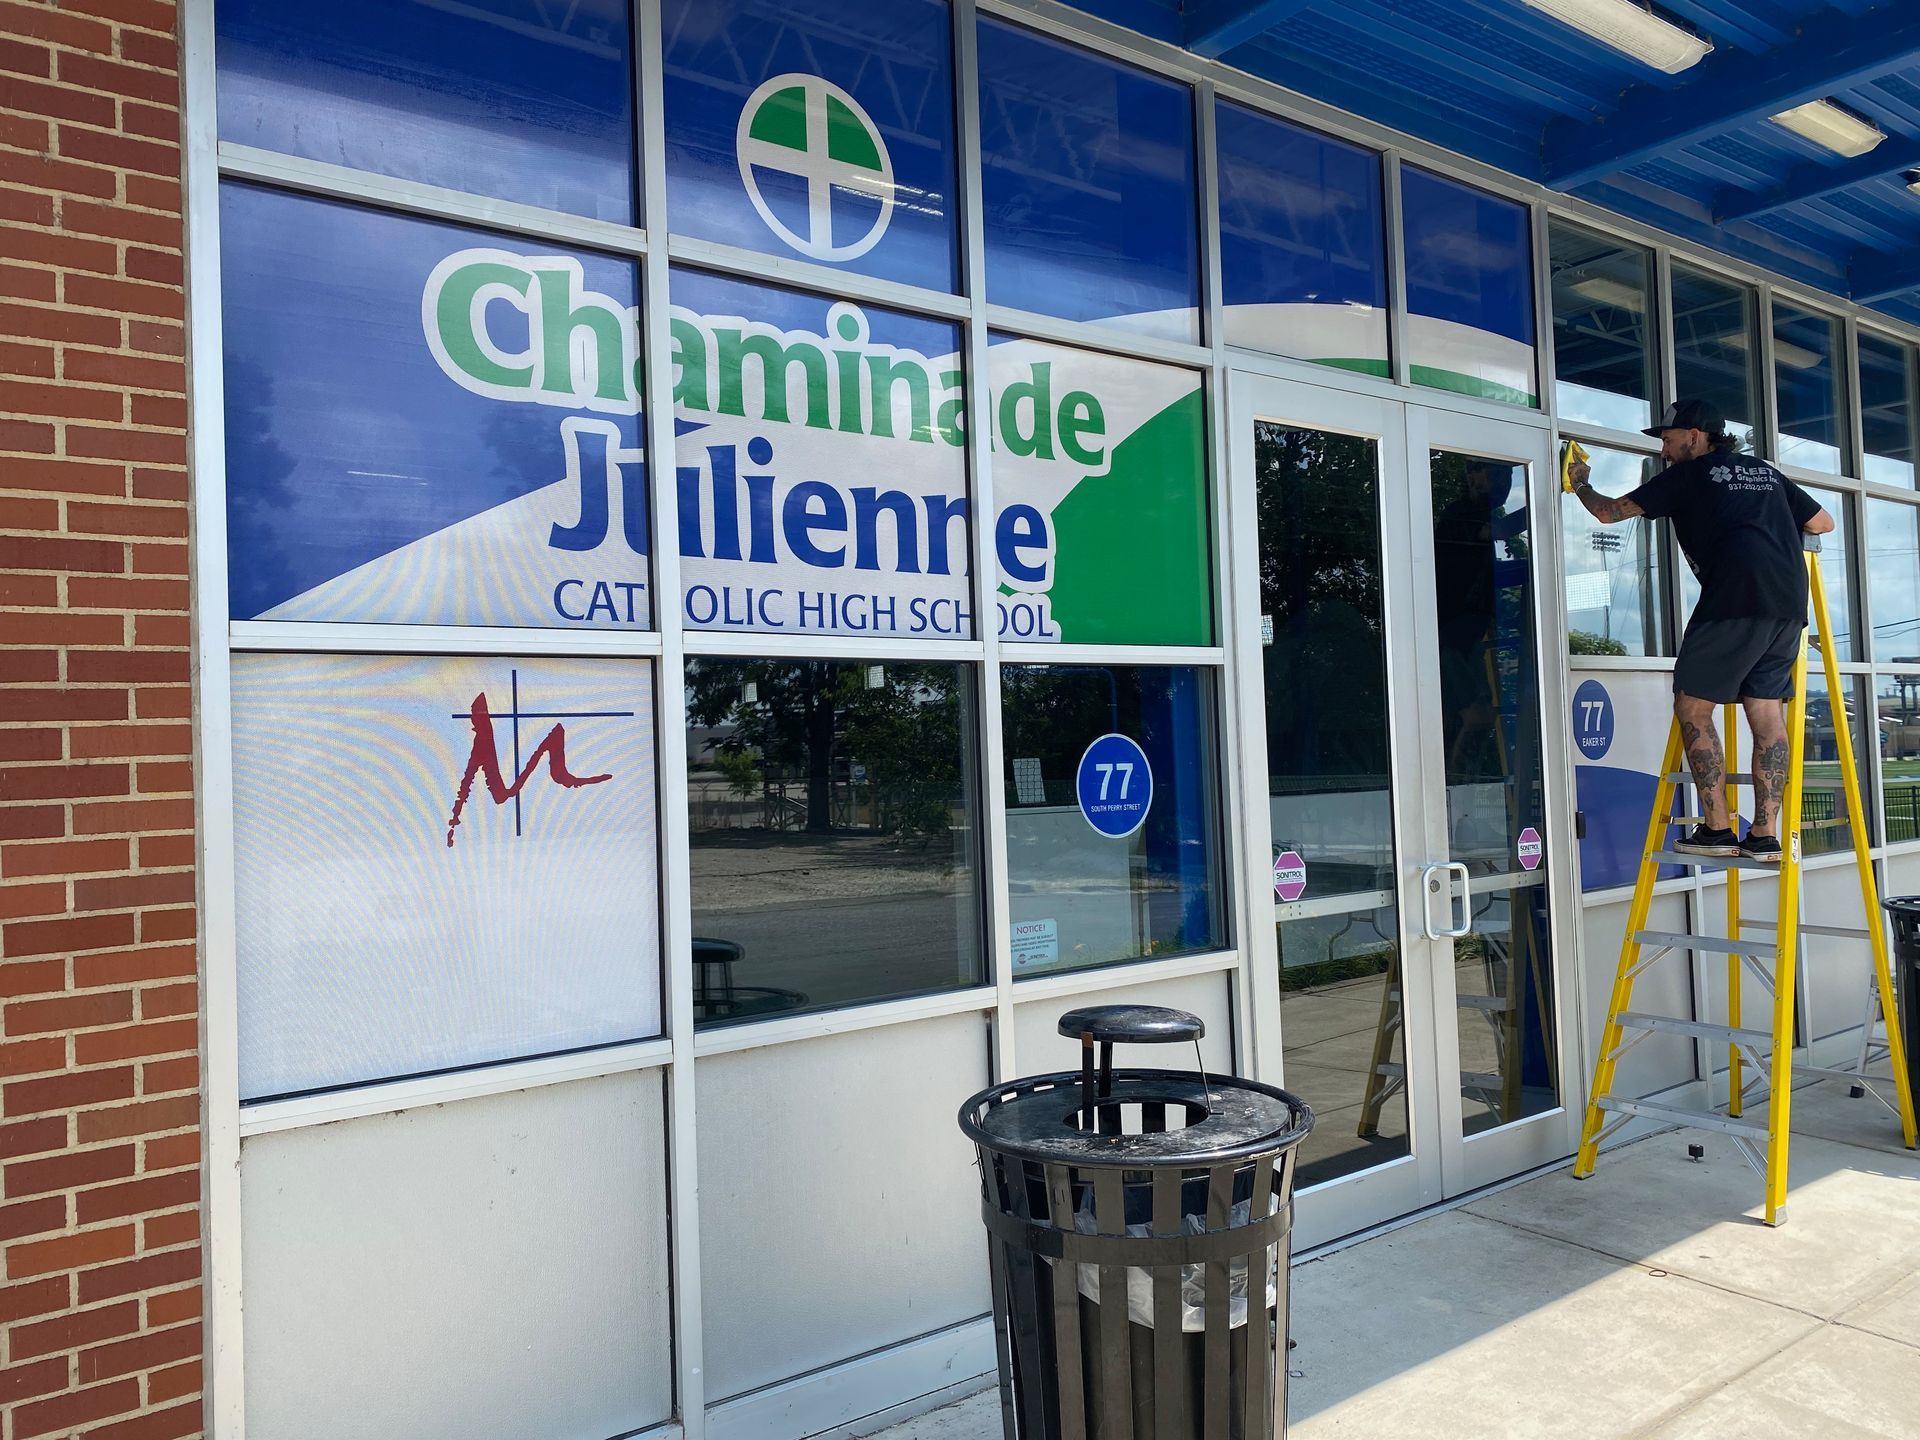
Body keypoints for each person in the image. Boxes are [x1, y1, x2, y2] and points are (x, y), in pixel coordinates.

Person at [1568, 399, 1833, 863]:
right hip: (1788, 605)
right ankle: (1764, 835)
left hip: (1732, 601)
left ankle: (1717, 828)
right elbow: (1822, 523)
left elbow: (1609, 514)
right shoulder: (1763, 472)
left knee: (1692, 705)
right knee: (1767, 715)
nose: (1664, 451)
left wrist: (1580, 484)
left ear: (1694, 436)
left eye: (1668, 440)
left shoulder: (1688, 475)